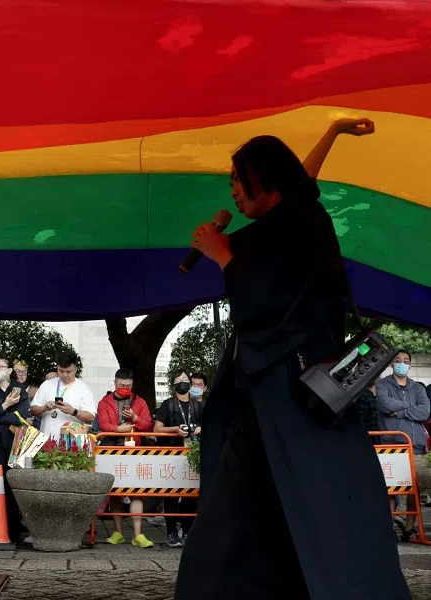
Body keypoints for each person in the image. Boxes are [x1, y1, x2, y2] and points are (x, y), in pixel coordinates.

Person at [176, 119, 409, 599]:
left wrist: (224, 258)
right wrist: (332, 131)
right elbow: (297, 180)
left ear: (266, 178)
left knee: (313, 506)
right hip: (262, 400)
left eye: (240, 180)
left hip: (293, 396)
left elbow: (263, 303)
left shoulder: (300, 226)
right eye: (232, 184)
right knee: (243, 514)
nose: (235, 192)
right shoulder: (282, 223)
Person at [95, 369, 154, 548]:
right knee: (115, 491)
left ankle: (138, 534)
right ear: (115, 383)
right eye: (121, 385)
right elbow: (103, 424)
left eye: (128, 386)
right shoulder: (105, 402)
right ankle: (118, 532)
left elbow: (149, 426)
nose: (125, 388)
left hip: (134, 450)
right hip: (112, 451)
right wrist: (117, 429)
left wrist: (135, 418)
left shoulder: (140, 402)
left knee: (136, 491)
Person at [376, 350, 430, 541]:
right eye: (398, 360)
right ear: (392, 364)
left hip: (416, 447)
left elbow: (425, 412)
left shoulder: (418, 388)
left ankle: (409, 529)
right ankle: (388, 530)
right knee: (392, 489)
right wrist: (410, 408)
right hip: (394, 446)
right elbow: (384, 404)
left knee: (415, 491)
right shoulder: (383, 385)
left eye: (406, 361)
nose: (402, 363)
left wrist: (398, 412)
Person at [0, 357, 30, 542]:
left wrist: (0, 413)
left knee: (12, 487)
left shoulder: (19, 389)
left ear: (9, 371)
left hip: (13, 443)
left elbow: (21, 417)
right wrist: (6, 406)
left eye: (1, 367)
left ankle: (13, 531)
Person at [154, 370, 202, 548]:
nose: (182, 383)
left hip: (191, 456)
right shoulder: (167, 405)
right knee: (171, 497)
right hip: (171, 457)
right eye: (178, 380)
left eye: (185, 380)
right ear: (173, 385)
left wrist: (199, 429)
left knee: (190, 496)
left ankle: (188, 531)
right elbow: (157, 429)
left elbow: (209, 425)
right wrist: (175, 429)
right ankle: (172, 533)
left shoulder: (197, 406)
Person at [30, 351, 95, 440]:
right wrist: (44, 408)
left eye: (69, 372)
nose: (64, 375)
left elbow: (90, 416)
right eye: (61, 371)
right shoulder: (47, 384)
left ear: (75, 370)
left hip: (71, 442)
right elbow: (32, 410)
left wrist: (73, 411)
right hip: (46, 440)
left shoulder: (83, 388)